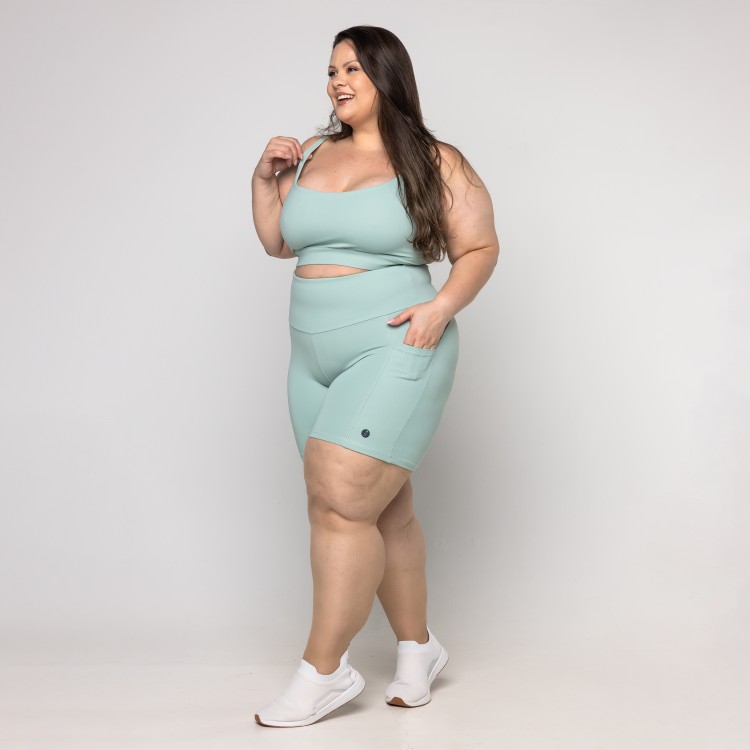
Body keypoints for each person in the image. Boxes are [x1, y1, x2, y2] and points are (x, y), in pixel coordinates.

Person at [250, 25, 499, 728]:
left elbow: (479, 246)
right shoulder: (314, 151)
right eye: (332, 69)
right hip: (311, 357)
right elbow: (278, 243)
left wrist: (440, 308)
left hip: (393, 344)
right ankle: (419, 649)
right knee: (379, 509)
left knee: (340, 501)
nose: (337, 81)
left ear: (387, 76)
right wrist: (264, 182)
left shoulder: (433, 158)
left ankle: (323, 672)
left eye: (353, 68)